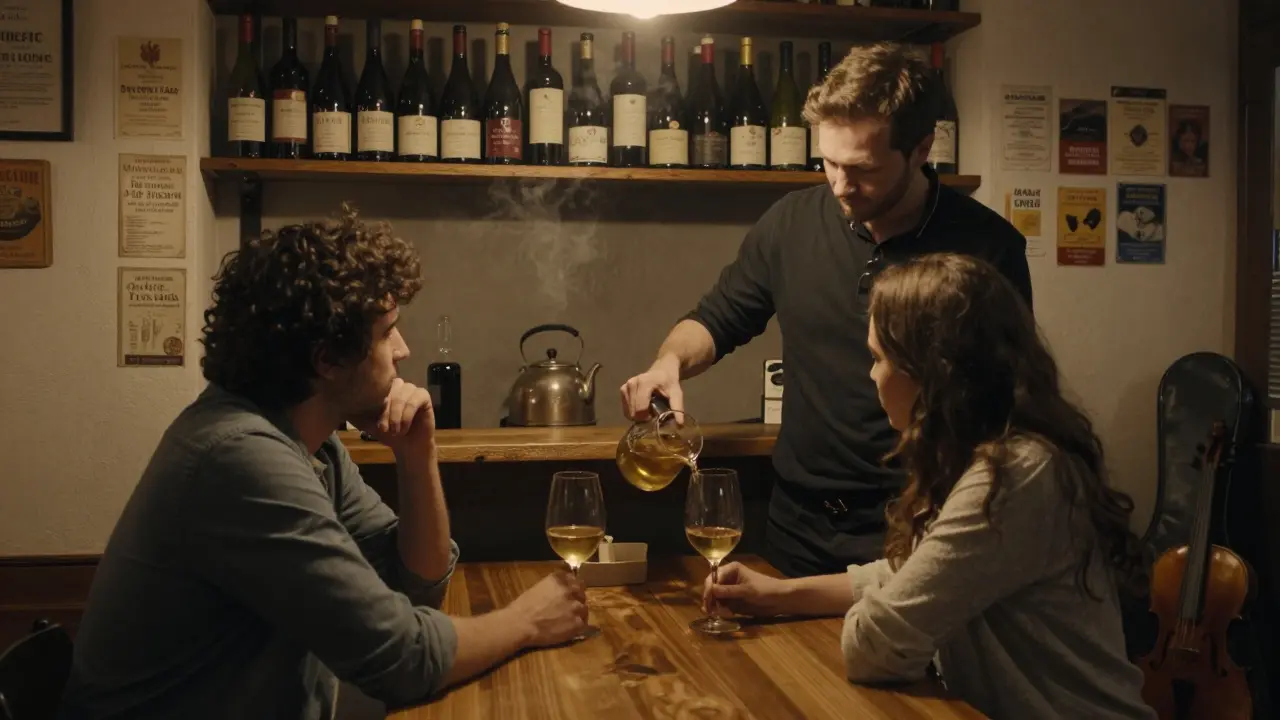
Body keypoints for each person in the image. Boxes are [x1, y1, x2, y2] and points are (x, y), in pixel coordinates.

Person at [59, 206, 588, 720]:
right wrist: (526, 621)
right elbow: (400, 660)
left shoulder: (309, 443)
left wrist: (416, 454)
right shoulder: (241, 459)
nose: (403, 349)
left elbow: (414, 586)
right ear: (328, 359)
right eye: (386, 333)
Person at [621, 42, 1033, 578]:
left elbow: (1007, 402)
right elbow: (718, 317)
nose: (839, 185)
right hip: (797, 524)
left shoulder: (986, 246)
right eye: (829, 162)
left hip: (919, 524)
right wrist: (668, 363)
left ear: (921, 148)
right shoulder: (791, 222)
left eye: (862, 169)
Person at [698, 253, 1155, 720]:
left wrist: (891, 609)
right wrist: (777, 594)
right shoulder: (988, 452)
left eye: (878, 358)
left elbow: (874, 644)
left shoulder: (1015, 474)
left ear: (933, 372)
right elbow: (908, 575)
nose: (871, 375)